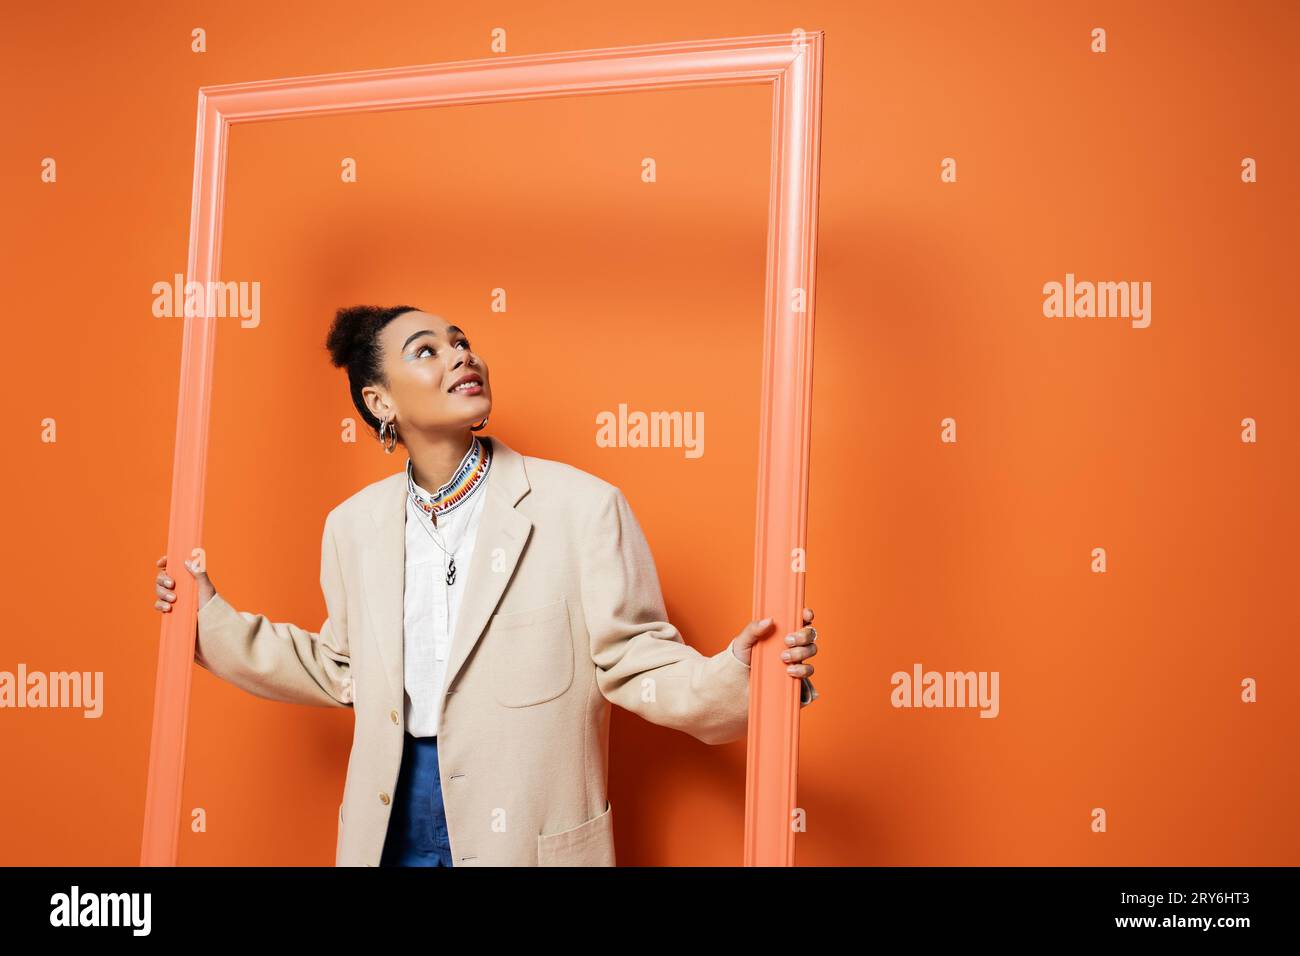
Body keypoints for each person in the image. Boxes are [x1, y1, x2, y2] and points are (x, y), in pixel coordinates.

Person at [152, 304, 821, 866]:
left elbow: (635, 661)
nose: (459, 357)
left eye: (462, 343)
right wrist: (205, 614)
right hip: (389, 820)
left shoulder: (582, 507)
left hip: (527, 829)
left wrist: (743, 676)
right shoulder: (352, 527)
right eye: (427, 351)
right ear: (379, 400)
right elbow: (341, 668)